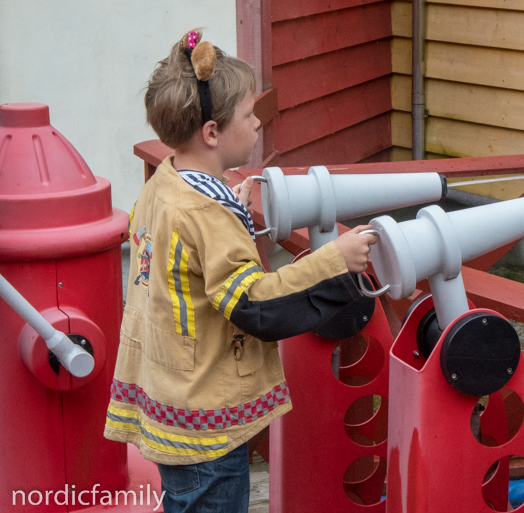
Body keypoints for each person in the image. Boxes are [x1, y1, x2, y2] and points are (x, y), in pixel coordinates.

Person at [104, 30, 377, 513]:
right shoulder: (206, 214)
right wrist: (336, 261)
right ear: (211, 132)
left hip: (171, 398)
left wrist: (234, 199)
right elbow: (253, 305)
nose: (256, 125)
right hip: (204, 419)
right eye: (249, 116)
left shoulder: (165, 183)